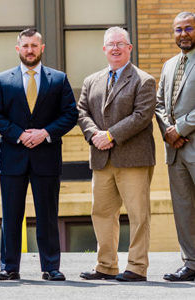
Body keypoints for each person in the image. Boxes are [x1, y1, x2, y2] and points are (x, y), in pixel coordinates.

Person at [0, 28, 78, 281]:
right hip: (13, 157)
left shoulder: (58, 79)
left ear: (42, 48)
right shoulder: (2, 80)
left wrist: (44, 133)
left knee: (48, 215)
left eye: (34, 46)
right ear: (18, 49)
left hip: (46, 156)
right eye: (25, 46)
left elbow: (71, 114)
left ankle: (51, 267)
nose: (29, 50)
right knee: (11, 214)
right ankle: (9, 267)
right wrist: (20, 134)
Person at [77, 26, 156, 282]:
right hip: (101, 159)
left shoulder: (144, 80)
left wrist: (110, 135)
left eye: (121, 44)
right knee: (101, 212)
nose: (116, 48)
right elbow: (82, 113)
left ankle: (136, 267)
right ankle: (106, 265)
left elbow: (142, 116)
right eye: (111, 44)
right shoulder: (92, 81)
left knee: (138, 214)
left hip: (133, 158)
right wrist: (95, 136)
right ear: (104, 49)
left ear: (130, 48)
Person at [156, 12, 195, 282]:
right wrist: (169, 132)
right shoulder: (169, 65)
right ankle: (191, 262)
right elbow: (158, 103)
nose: (183, 34)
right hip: (175, 150)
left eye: (189, 28)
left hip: (191, 141)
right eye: (178, 29)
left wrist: (180, 128)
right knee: (183, 210)